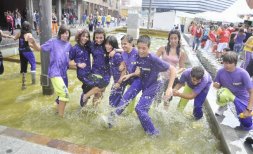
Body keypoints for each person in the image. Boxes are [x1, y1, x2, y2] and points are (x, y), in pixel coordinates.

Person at [105, 35, 176, 136]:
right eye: (139, 48)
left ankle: (154, 133)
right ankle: (109, 123)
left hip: (153, 84)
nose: (141, 51)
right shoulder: (136, 54)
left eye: (144, 48)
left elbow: (173, 69)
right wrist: (115, 50)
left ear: (149, 48)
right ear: (136, 47)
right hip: (140, 80)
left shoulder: (153, 58)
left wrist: (169, 88)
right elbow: (126, 49)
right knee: (124, 101)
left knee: (140, 109)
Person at [29, 25, 72, 117]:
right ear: (60, 33)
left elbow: (70, 60)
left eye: (67, 33)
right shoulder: (53, 42)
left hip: (64, 73)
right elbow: (39, 48)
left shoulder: (69, 45)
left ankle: (57, 112)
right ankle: (61, 118)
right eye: (63, 33)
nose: (65, 35)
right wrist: (33, 42)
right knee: (65, 94)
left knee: (61, 95)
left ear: (69, 34)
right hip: (55, 72)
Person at [214, 52, 253, 130]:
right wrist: (216, 85)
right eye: (225, 63)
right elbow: (216, 85)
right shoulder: (220, 72)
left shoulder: (243, 73)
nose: (227, 65)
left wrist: (249, 109)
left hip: (241, 96)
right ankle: (223, 105)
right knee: (222, 93)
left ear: (235, 63)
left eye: (229, 63)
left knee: (246, 123)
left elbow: (251, 92)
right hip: (227, 94)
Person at [69, 29, 103, 107]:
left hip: (89, 73)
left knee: (90, 89)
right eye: (83, 36)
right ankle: (84, 97)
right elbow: (68, 62)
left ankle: (85, 107)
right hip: (82, 74)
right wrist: (78, 64)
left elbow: (97, 46)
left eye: (87, 37)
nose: (85, 38)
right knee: (98, 86)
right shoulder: (74, 48)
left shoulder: (87, 47)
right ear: (79, 36)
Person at [155, 30, 186, 107]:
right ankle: (153, 113)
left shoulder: (181, 53)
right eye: (171, 38)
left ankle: (165, 114)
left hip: (172, 79)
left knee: (167, 99)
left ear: (178, 39)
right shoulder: (163, 49)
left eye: (175, 38)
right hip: (161, 77)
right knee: (156, 98)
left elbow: (182, 67)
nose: (173, 40)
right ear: (168, 39)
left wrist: (176, 72)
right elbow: (154, 60)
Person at [89, 28, 111, 107]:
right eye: (96, 38)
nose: (98, 40)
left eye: (101, 38)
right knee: (97, 92)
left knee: (101, 91)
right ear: (94, 37)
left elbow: (119, 49)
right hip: (95, 71)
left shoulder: (108, 45)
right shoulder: (91, 45)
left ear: (104, 37)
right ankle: (93, 108)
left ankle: (95, 107)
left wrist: (115, 51)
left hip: (106, 72)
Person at [105, 35, 126, 107]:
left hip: (120, 82)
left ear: (113, 45)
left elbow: (124, 69)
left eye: (110, 44)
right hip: (116, 81)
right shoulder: (110, 55)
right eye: (106, 44)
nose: (107, 46)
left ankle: (112, 117)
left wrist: (119, 83)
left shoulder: (116, 55)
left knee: (113, 103)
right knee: (112, 101)